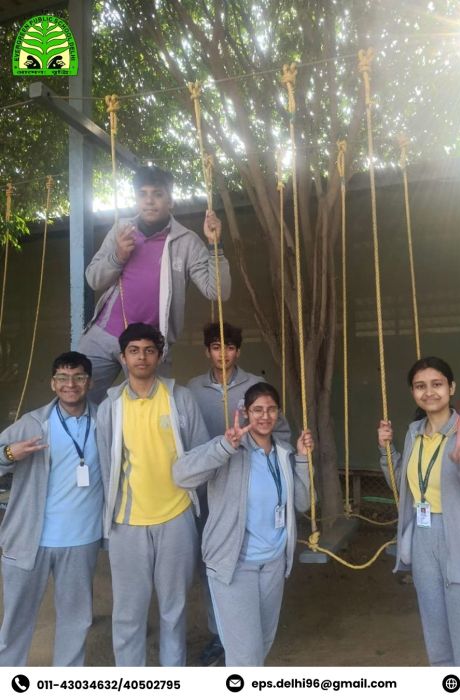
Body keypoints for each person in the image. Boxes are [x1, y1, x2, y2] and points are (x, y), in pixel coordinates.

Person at [377, 356, 460, 667]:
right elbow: (406, 486)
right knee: (439, 655)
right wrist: (386, 451)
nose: (429, 392)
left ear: (451, 388)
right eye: (420, 386)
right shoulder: (414, 434)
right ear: (413, 392)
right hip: (425, 547)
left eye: (437, 384)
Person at [173, 382, 312, 666]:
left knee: (262, 644)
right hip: (235, 565)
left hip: (273, 563)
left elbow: (302, 503)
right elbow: (181, 476)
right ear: (246, 413)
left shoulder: (283, 453)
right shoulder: (229, 448)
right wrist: (224, 447)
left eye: (271, 409)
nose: (265, 416)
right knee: (245, 656)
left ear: (278, 413)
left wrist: (301, 459)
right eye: (257, 409)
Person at [95, 323, 209, 666]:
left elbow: (200, 454)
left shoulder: (179, 398)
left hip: (177, 519)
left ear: (159, 357)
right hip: (128, 523)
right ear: (122, 358)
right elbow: (106, 465)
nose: (141, 357)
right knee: (129, 611)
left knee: (174, 608)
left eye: (148, 351)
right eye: (134, 351)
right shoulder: (110, 407)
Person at [78, 165, 231, 404]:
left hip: (151, 347)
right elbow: (93, 279)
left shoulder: (186, 241)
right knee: (77, 396)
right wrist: (117, 256)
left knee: (153, 409)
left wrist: (215, 245)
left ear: (170, 200)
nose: (149, 201)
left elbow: (218, 292)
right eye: (143, 194)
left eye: (157, 194)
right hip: (104, 335)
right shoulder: (121, 230)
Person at [187, 321, 291, 665]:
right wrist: (221, 449)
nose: (223, 354)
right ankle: (221, 633)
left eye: (230, 347)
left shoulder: (255, 387)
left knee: (240, 557)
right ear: (207, 351)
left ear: (238, 351)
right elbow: (185, 446)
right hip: (210, 480)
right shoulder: (193, 389)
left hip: (249, 480)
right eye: (217, 347)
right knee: (217, 560)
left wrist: (274, 456)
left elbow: (281, 434)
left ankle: (239, 640)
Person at [0, 352, 102, 666]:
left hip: (81, 540)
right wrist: (9, 454)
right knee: (16, 621)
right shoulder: (32, 423)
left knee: (76, 620)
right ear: (52, 384)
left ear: (89, 382)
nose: (70, 384)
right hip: (29, 540)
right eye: (62, 378)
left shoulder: (106, 421)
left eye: (79, 377)